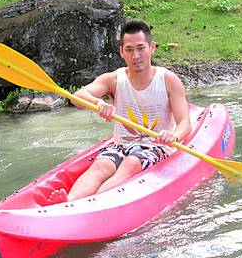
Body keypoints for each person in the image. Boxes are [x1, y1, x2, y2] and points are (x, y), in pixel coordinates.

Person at [59, 19, 192, 202]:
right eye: (129, 49)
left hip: (156, 146)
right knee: (101, 166)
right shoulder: (114, 79)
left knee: (132, 163)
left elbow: (185, 123)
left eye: (140, 48)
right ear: (122, 52)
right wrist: (98, 103)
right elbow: (78, 97)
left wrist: (174, 136)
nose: (135, 55)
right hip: (120, 145)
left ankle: (93, 204)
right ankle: (68, 203)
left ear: (152, 47)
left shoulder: (169, 80)